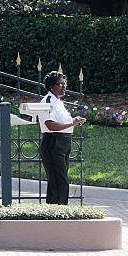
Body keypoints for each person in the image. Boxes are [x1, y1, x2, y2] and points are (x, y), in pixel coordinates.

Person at [38, 71, 86, 205]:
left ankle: (56, 209)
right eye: (60, 84)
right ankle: (58, 211)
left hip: (64, 142)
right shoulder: (47, 101)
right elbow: (50, 125)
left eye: (64, 84)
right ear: (52, 86)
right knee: (59, 180)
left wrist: (73, 120)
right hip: (53, 141)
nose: (64, 87)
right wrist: (72, 123)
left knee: (59, 179)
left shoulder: (58, 102)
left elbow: (62, 122)